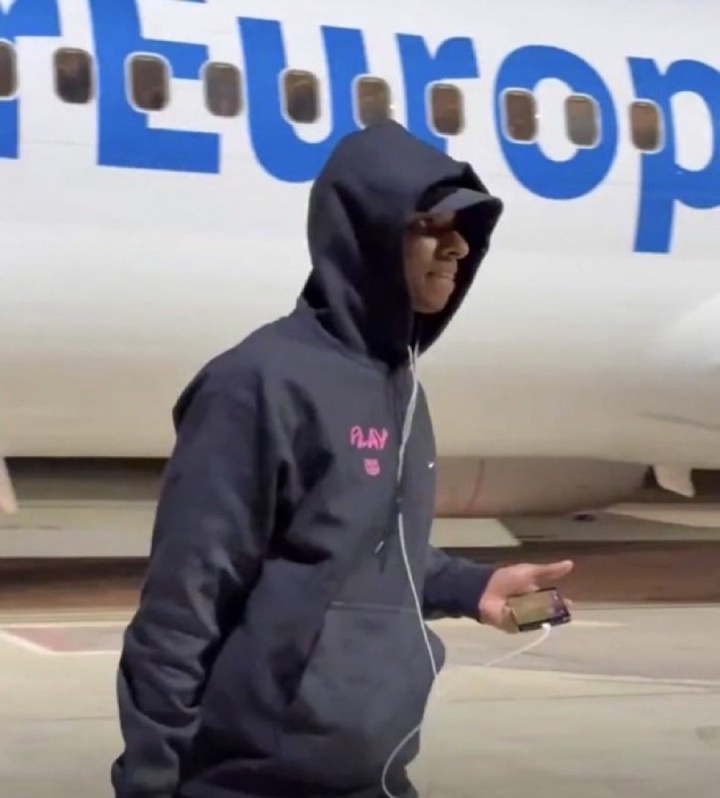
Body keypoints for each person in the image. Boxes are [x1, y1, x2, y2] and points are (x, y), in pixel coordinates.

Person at [111, 120, 574, 798]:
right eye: (433, 224)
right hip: (251, 782)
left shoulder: (401, 388)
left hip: (373, 775)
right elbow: (182, 607)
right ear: (370, 233)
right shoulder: (259, 384)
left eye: (465, 228)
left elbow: (361, 550)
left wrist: (471, 587)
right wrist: (151, 783)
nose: (458, 245)